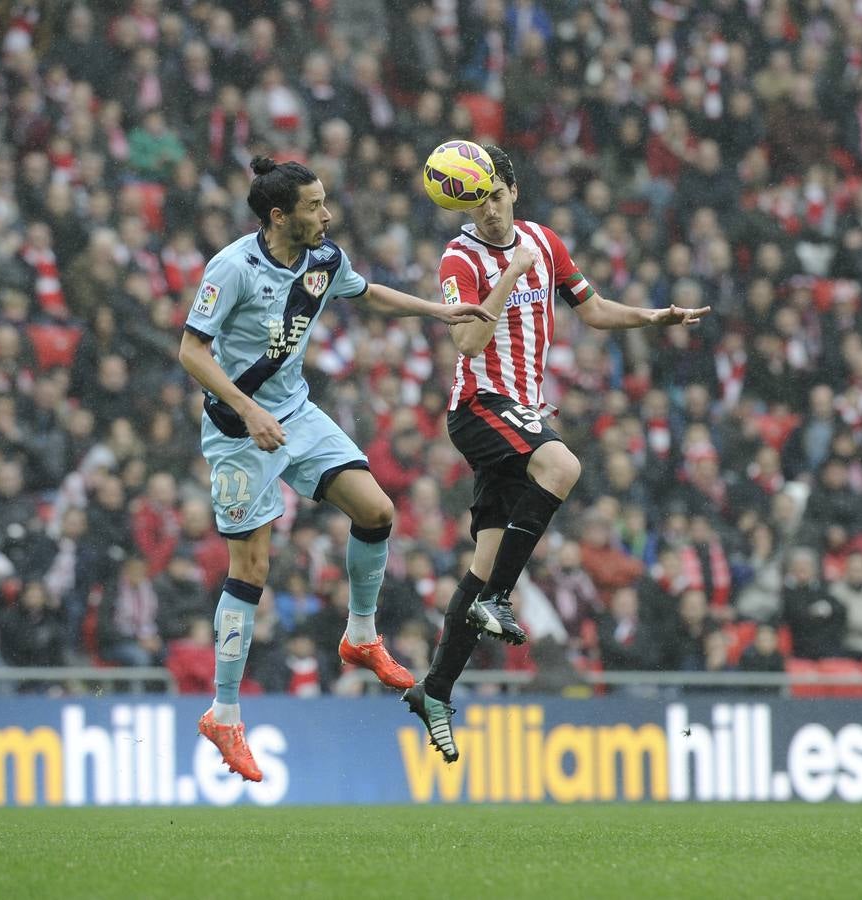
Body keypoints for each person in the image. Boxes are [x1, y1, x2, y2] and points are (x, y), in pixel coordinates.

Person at [178, 156, 495, 783]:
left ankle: (360, 636)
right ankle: (224, 712)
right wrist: (248, 411)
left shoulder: (324, 259)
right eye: (314, 205)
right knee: (252, 568)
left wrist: (441, 313)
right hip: (240, 432)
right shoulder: (233, 268)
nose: (327, 214)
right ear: (279, 216)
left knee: (377, 511)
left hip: (296, 412)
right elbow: (191, 350)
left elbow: (366, 292)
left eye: (325, 202)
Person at [404, 144, 708, 763]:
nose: (488, 210)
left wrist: (654, 318)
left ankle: (435, 688)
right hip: (480, 406)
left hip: (521, 412)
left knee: (485, 560)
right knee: (564, 464)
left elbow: (591, 310)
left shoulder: (544, 240)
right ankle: (496, 603)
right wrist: (509, 277)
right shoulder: (461, 258)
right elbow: (467, 339)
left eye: (495, 194)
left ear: (513, 189)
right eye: (476, 199)